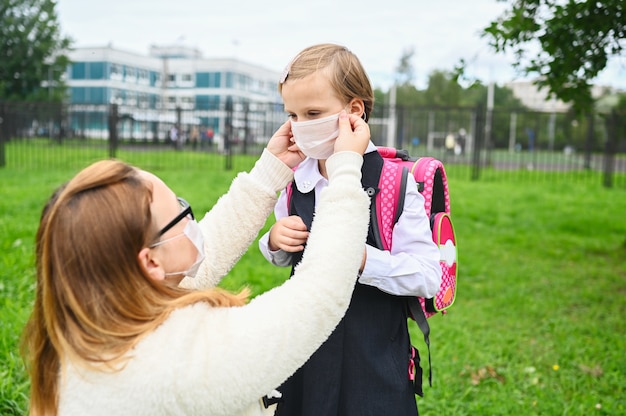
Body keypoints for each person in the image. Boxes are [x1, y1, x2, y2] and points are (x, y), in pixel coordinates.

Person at [21, 111, 372, 416]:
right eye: (179, 212)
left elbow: (201, 257)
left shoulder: (93, 329)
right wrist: (344, 174)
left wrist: (270, 172)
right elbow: (318, 295)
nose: (191, 222)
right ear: (150, 262)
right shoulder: (179, 366)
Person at [258, 43, 442, 416]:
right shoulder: (297, 178)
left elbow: (427, 276)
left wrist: (362, 260)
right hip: (306, 352)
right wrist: (275, 240)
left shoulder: (394, 182)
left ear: (354, 111)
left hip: (373, 359)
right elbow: (281, 252)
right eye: (292, 114)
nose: (301, 126)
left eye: (313, 113)